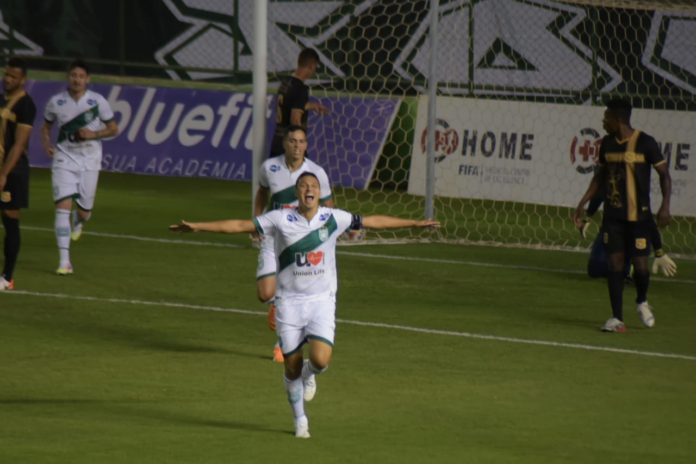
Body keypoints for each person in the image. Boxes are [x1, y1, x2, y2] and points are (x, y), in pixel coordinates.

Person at [170, 171, 439, 438]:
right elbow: (241, 225)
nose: (308, 188)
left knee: (320, 360)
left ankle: (311, 374)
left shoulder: (334, 218)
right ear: (297, 192)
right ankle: (300, 420)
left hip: (322, 301)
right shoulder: (280, 218)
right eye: (303, 185)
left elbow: (372, 221)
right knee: (291, 367)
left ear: (319, 192)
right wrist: (197, 226)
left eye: (313, 185)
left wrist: (414, 223)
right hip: (289, 303)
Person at [572, 98, 671, 333]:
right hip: (613, 218)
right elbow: (600, 177)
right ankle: (616, 318)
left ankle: (642, 301)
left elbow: (665, 175)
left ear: (617, 119)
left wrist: (665, 206)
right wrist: (583, 204)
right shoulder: (606, 143)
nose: (603, 121)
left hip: (639, 219)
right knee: (614, 265)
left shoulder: (645, 143)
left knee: (641, 267)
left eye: (606, 117)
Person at [257, 125, 334, 363]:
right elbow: (262, 193)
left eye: (301, 141)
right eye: (292, 141)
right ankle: (275, 303)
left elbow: (328, 204)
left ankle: (283, 344)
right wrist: (257, 220)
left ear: (306, 145)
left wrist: (328, 233)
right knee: (265, 293)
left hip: (301, 243)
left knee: (294, 295)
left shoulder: (316, 173)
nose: (297, 146)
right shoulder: (269, 167)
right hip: (273, 238)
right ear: (285, 144)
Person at [40, 59, 119, 275]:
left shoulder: (97, 101)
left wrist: (93, 134)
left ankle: (79, 219)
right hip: (64, 159)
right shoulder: (56, 102)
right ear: (68, 77)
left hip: (90, 161)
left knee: (85, 212)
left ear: (88, 80)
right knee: (61, 208)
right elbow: (45, 127)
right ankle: (64, 261)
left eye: (81, 76)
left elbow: (114, 129)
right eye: (73, 75)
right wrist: (47, 145)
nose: (77, 79)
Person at [579, 190, 677, 279]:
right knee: (595, 270)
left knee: (626, 273)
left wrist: (658, 251)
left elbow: (648, 220)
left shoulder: (635, 191)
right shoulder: (608, 180)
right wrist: (587, 217)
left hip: (634, 235)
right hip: (610, 231)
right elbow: (599, 193)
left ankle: (631, 263)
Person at [0, 57, 36, 291]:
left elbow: (19, 144)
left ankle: (7, 277)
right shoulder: (2, 100)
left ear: (23, 79)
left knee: (10, 221)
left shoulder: (25, 105)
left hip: (12, 172)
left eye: (13, 76)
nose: (8, 79)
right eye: (6, 74)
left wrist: (4, 174)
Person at [269, 47, 329, 157]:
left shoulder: (285, 83)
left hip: (277, 142)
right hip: (290, 149)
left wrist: (310, 106)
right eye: (315, 67)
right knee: (304, 174)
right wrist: (300, 147)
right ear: (312, 66)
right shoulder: (301, 89)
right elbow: (295, 119)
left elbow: (288, 104)